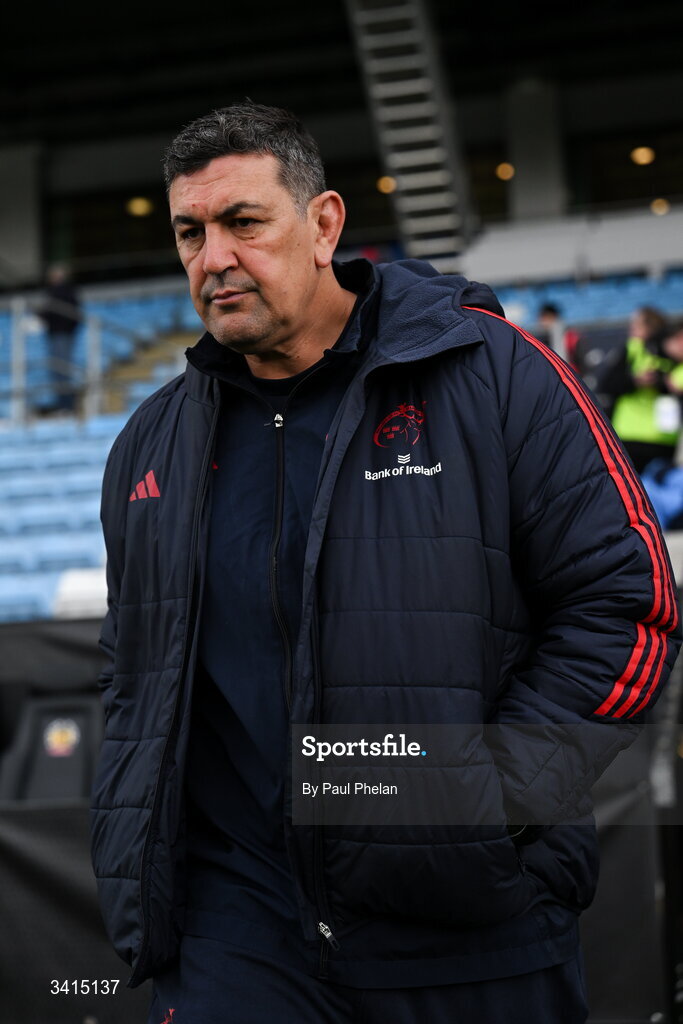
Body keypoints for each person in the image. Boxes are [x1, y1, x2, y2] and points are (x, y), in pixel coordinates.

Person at [90, 102, 681, 1024]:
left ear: (323, 224)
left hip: (465, 928)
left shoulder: (493, 372)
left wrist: (487, 804)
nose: (214, 259)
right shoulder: (149, 441)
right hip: (236, 935)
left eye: (245, 223)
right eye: (190, 232)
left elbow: (628, 602)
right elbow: (133, 672)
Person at [607, 306, 681, 473]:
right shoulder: (633, 350)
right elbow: (608, 384)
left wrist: (659, 380)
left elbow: (675, 384)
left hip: (661, 439)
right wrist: (635, 381)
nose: (631, 330)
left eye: (636, 325)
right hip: (630, 436)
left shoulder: (673, 351)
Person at [38, 264, 81, 413]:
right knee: (58, 370)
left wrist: (41, 313)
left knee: (62, 370)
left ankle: (67, 405)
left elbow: (70, 314)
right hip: (57, 333)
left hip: (62, 334)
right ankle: (64, 404)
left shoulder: (62, 292)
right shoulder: (57, 292)